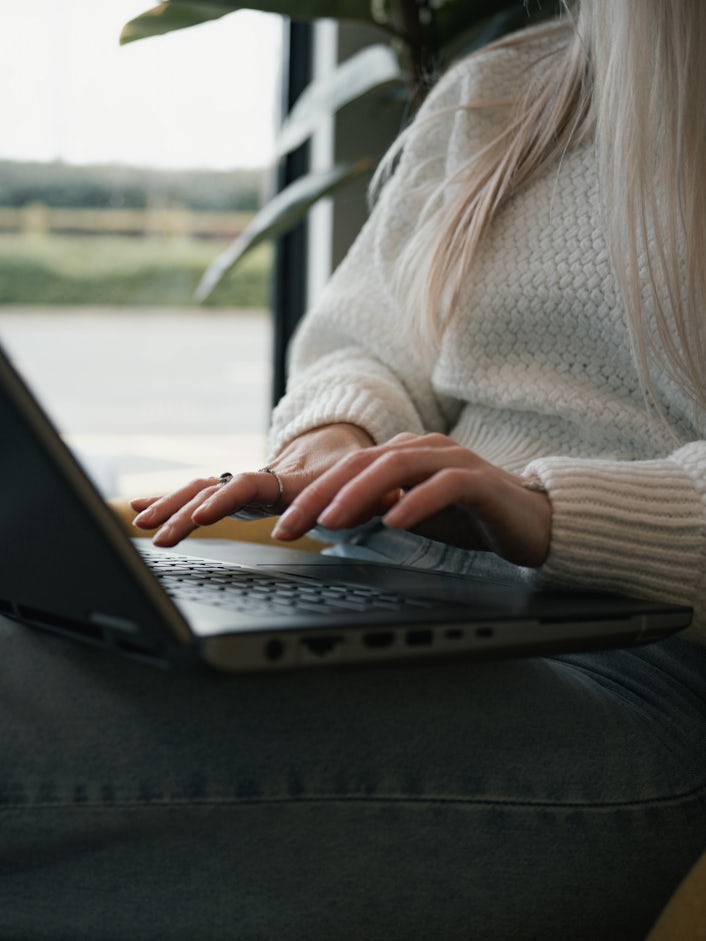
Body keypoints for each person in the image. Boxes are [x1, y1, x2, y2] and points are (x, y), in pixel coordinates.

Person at [2, 2, 705, 939]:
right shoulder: (507, 88)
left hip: (638, 685)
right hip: (389, 590)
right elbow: (363, 345)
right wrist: (331, 447)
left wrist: (545, 510)